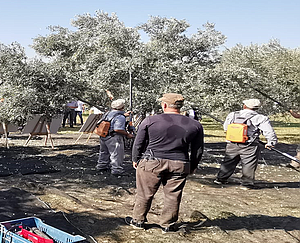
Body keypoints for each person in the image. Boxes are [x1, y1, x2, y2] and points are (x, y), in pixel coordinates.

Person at [126, 93, 204, 232]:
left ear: (165, 105)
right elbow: (198, 150)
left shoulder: (150, 121)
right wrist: (193, 166)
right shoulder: (195, 124)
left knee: (144, 193)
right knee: (173, 195)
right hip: (180, 162)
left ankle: (138, 221)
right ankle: (167, 225)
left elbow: (139, 142)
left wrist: (135, 159)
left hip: (151, 161)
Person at [214, 99, 277, 189]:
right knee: (249, 164)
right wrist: (271, 142)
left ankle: (220, 179)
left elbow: (226, 128)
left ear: (244, 106)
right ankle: (246, 184)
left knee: (228, 161)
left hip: (232, 143)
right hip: (250, 145)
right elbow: (269, 132)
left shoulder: (233, 114)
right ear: (257, 108)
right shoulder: (261, 118)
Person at [96, 99, 133, 176]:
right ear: (122, 107)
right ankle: (117, 169)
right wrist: (127, 134)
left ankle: (101, 166)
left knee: (104, 152)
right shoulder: (120, 117)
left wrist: (124, 115)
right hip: (114, 137)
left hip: (104, 135)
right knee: (116, 153)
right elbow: (117, 129)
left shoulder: (107, 113)